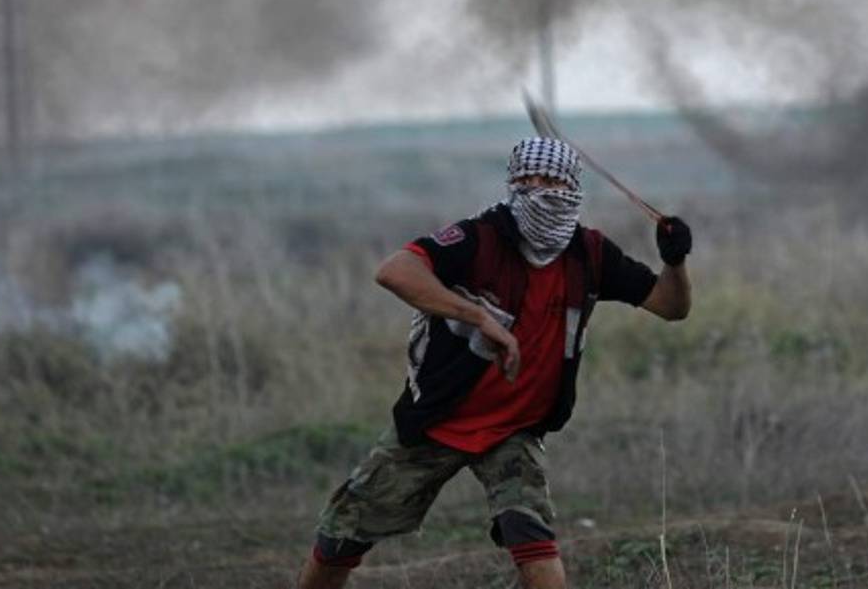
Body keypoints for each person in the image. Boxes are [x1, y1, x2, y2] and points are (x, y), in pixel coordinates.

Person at [296, 137, 692, 589]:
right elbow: (394, 270)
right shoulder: (479, 238)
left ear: (570, 186)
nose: (535, 190)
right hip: (438, 420)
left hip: (514, 430)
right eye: (524, 179)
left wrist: (675, 260)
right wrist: (478, 316)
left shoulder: (591, 254)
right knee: (339, 541)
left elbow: (670, 305)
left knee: (534, 542)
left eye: (548, 180)